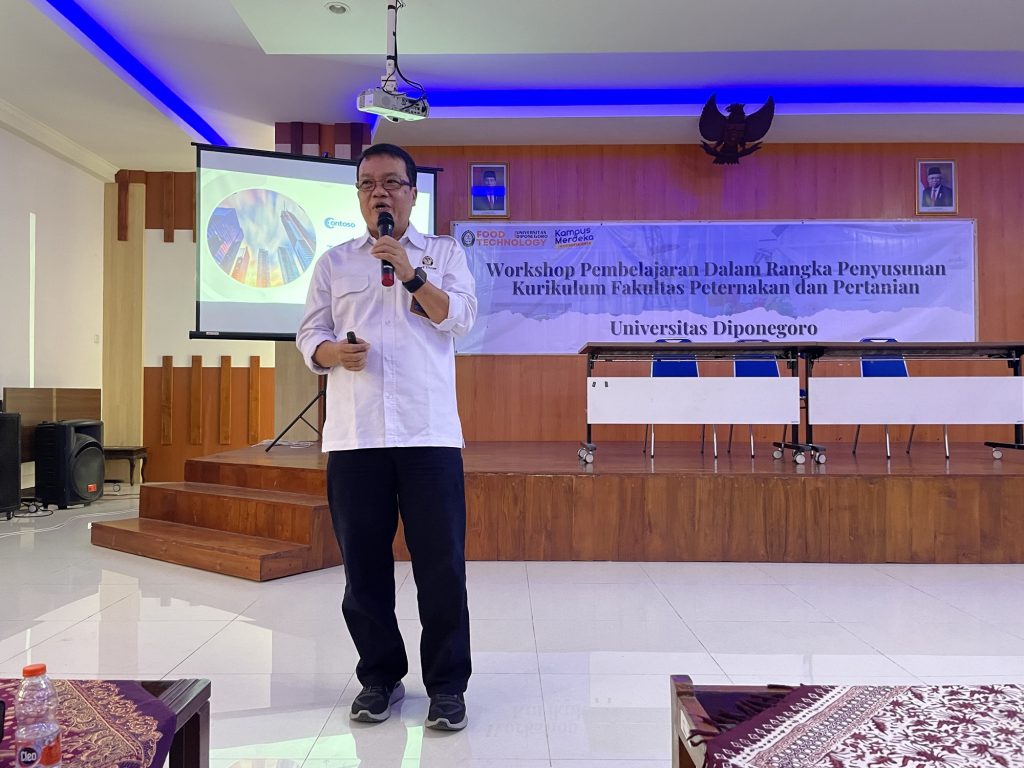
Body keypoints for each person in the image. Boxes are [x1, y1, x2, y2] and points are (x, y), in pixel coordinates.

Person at [296, 143, 478, 731]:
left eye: (392, 182)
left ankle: (447, 686)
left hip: (428, 433)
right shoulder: (334, 262)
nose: (380, 192)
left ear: (412, 194)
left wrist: (410, 273)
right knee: (364, 569)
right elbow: (309, 336)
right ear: (358, 195)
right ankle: (379, 678)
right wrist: (333, 352)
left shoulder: (443, 254)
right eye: (368, 183)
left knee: (441, 566)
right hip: (356, 437)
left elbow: (459, 318)